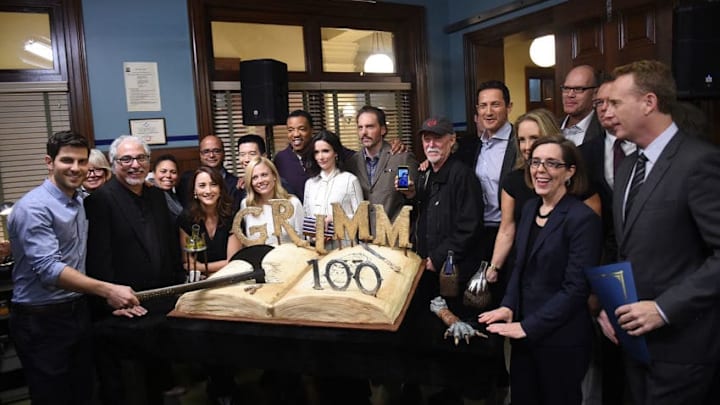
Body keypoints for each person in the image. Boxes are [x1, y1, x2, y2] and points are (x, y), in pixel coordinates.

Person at [601, 60, 720, 405]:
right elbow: (629, 248)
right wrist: (611, 305)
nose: (606, 112)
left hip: (683, 344)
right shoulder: (627, 169)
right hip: (635, 344)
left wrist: (664, 308)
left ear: (649, 102)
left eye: (616, 103)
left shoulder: (700, 163)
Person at [7, 131, 139, 405]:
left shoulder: (78, 199)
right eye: (67, 161)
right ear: (49, 162)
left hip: (77, 311)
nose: (76, 168)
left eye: (82, 161)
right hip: (41, 318)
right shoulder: (34, 207)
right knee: (53, 397)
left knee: (84, 392)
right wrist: (108, 290)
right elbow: (49, 269)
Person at [478, 136, 602, 405]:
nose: (540, 170)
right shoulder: (530, 207)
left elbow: (576, 290)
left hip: (561, 339)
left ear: (570, 172)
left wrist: (528, 326)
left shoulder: (583, 219)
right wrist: (509, 306)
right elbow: (519, 266)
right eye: (535, 162)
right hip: (524, 338)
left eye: (551, 164)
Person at [85, 135, 184, 405]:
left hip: (162, 303)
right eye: (126, 159)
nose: (134, 164)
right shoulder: (100, 201)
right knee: (132, 389)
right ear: (113, 162)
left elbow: (170, 246)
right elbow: (98, 259)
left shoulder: (156, 195)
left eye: (141, 158)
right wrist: (109, 300)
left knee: (160, 383)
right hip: (125, 310)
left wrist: (178, 288)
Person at [346, 105, 419, 234]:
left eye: (370, 127)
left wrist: (411, 192)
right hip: (363, 242)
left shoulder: (401, 158)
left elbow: (416, 200)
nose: (364, 132)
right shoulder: (352, 163)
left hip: (394, 241)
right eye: (360, 127)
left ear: (383, 129)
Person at [178, 166, 242, 274]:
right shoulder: (186, 218)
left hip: (230, 276)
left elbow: (233, 261)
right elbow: (187, 262)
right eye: (202, 185)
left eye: (213, 185)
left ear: (220, 189)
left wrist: (201, 267)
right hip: (200, 281)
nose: (208, 190)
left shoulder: (232, 215)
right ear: (194, 190)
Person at [303, 130, 363, 242]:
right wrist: (312, 236)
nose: (320, 157)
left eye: (325, 151)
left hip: (345, 248)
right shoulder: (310, 184)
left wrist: (337, 218)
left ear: (335, 153)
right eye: (316, 152)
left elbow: (361, 218)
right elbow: (307, 218)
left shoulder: (350, 180)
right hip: (317, 248)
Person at [241, 157, 304, 245]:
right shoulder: (246, 205)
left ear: (274, 176)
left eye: (264, 175)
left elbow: (302, 240)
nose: (260, 181)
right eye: (255, 177)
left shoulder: (293, 203)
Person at [177, 135, 242, 211]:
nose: (211, 155)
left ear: (224, 154)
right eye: (206, 151)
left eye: (216, 151)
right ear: (200, 155)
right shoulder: (186, 180)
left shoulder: (236, 184)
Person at [560, 65, 603, 146]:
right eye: (566, 88)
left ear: (595, 94)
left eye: (578, 89)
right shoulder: (550, 128)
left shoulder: (604, 131)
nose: (570, 95)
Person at [151, 153, 183, 220]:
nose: (168, 175)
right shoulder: (150, 195)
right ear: (154, 173)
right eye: (163, 171)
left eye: (173, 172)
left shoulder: (175, 195)